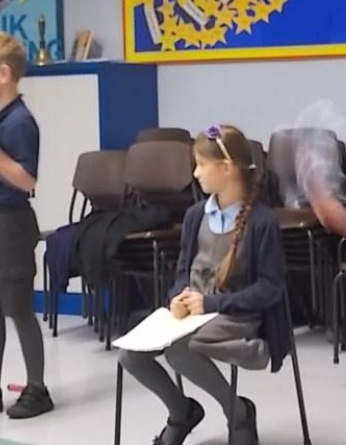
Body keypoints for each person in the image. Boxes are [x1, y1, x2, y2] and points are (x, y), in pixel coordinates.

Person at [119, 124, 290, 445]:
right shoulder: (196, 215)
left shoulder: (262, 221)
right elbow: (183, 271)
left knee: (181, 352)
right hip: (195, 313)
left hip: (236, 314)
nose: (195, 173)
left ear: (226, 169)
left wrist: (211, 303)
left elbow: (270, 288)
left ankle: (238, 413)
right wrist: (177, 296)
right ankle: (181, 412)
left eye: (200, 165)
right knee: (130, 356)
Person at [0, 32, 53, 418]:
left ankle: (38, 388)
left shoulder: (19, 123)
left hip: (10, 223)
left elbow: (27, 179)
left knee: (18, 308)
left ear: (3, 73)